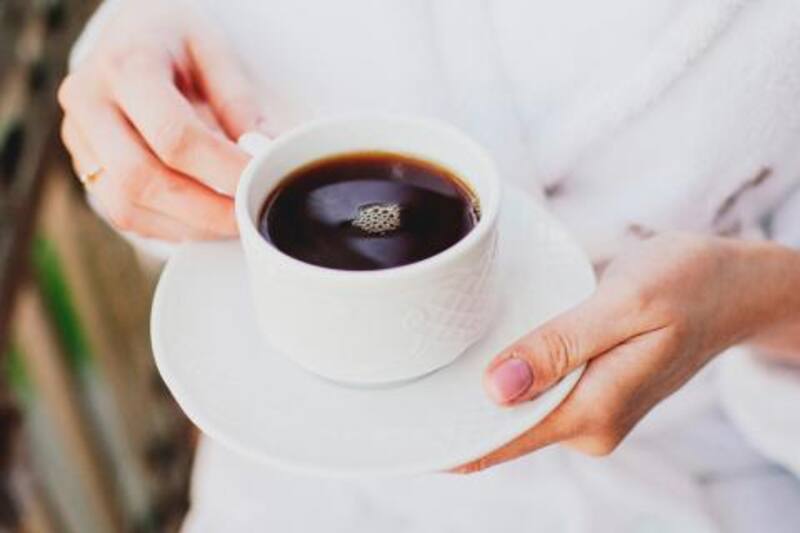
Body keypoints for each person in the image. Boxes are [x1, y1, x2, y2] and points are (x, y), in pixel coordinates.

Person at [59, 0, 800, 531]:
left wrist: (754, 300)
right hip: (305, 471)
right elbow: (173, 60)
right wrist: (132, 60)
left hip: (690, 472)